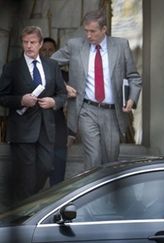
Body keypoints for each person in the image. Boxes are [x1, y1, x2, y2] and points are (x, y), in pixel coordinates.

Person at [51, 9, 142, 170]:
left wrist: (131, 99)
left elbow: (134, 76)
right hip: (86, 109)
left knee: (110, 159)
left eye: (93, 31)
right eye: (86, 31)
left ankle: (107, 194)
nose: (88, 35)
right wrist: (63, 87)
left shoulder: (121, 46)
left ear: (104, 29)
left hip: (112, 112)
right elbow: (49, 66)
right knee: (93, 157)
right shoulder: (75, 45)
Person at [0, 26, 67, 201]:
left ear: (40, 43)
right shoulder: (12, 67)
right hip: (22, 129)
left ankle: (25, 201)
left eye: (33, 42)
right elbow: (3, 97)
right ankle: (26, 211)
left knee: (46, 167)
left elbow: (62, 93)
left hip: (46, 127)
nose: (29, 46)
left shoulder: (51, 65)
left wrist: (54, 102)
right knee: (27, 174)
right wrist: (21, 100)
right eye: (25, 42)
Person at [40, 37, 69, 186]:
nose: (47, 53)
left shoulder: (65, 77)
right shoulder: (31, 74)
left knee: (57, 178)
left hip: (59, 131)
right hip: (37, 132)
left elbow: (71, 105)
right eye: (43, 50)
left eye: (50, 50)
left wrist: (72, 132)